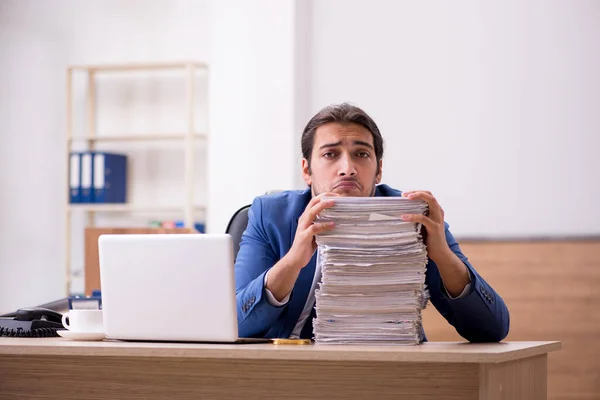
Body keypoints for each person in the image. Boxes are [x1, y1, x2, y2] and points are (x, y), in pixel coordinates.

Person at [234, 103, 510, 342]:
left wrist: (442, 256)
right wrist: (293, 260)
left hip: (390, 369)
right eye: (330, 154)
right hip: (291, 372)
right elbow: (236, 324)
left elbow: (492, 329)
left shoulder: (414, 217)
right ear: (307, 170)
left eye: (361, 154)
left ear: (379, 169)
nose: (348, 168)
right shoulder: (270, 215)